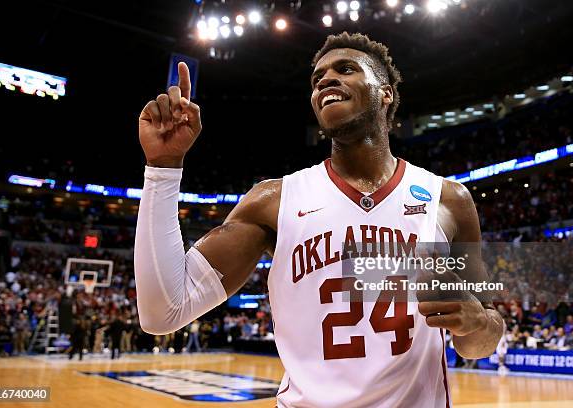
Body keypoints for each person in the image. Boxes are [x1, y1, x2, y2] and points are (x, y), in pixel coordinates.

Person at [134, 32, 503, 407]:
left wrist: (477, 323)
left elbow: (481, 342)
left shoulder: (449, 200)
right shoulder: (273, 201)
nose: (325, 79)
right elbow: (163, 312)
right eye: (317, 78)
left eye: (346, 69)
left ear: (386, 92)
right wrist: (162, 170)